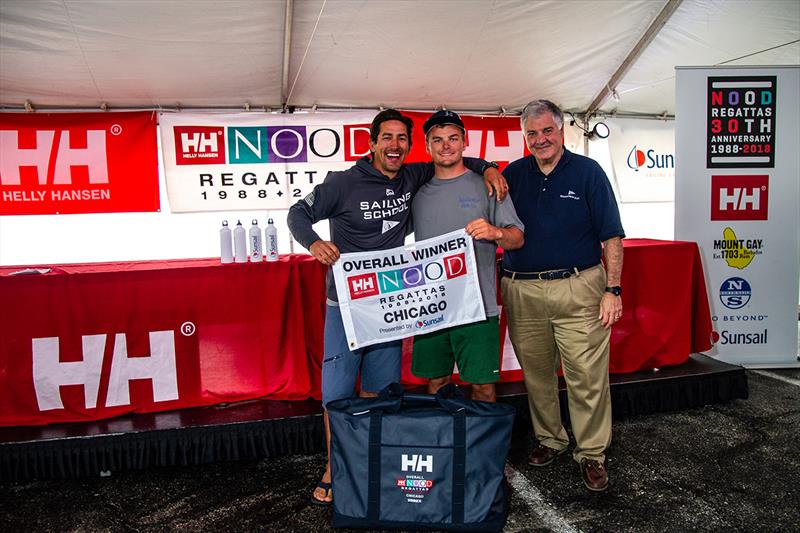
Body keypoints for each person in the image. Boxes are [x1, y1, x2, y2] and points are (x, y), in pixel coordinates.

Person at [287, 109, 506, 506]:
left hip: (388, 305)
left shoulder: (412, 176)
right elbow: (297, 213)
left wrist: (488, 166)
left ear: (409, 145)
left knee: (379, 391)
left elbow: (453, 157)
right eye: (386, 137)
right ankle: (335, 465)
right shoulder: (342, 183)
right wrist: (314, 244)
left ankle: (369, 456)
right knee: (336, 394)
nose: (394, 145)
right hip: (347, 305)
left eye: (401, 138)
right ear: (371, 143)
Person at [500, 99, 624, 492]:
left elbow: (612, 237)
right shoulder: (512, 174)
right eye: (532, 133)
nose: (540, 140)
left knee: (586, 377)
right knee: (536, 375)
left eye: (547, 131)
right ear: (524, 136)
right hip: (521, 288)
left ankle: (591, 453)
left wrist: (613, 289)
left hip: (580, 286)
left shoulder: (588, 172)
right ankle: (550, 438)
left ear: (562, 130)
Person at [411, 110, 524, 402]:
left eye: (452, 138)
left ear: (465, 141)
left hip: (478, 306)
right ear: (427, 146)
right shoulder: (416, 190)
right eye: (437, 140)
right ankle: (444, 445)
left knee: (483, 385)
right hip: (432, 306)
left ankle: (481, 447)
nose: (445, 145)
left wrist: (495, 232)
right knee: (437, 381)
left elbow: (518, 238)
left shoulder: (488, 184)